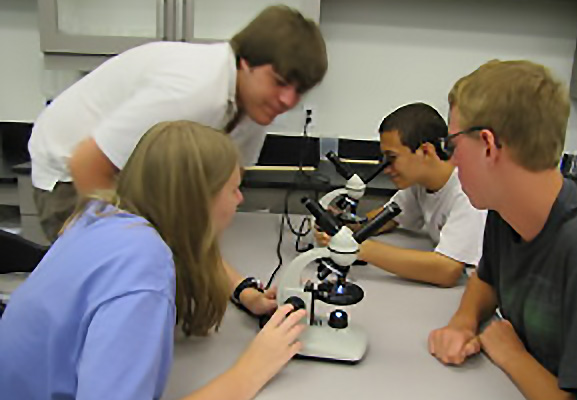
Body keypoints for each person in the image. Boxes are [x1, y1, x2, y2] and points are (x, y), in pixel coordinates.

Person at [0, 121, 307, 400]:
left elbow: (194, 249)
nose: (240, 200)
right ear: (198, 201)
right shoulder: (142, 271)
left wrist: (245, 292)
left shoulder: (103, 216)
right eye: (234, 189)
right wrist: (251, 370)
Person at [29, 4, 328, 243]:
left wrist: (239, 288)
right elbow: (87, 163)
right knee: (116, 273)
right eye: (279, 83)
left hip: (126, 172)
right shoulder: (194, 90)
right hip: (70, 172)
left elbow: (222, 190)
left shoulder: (257, 103)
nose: (288, 101)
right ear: (245, 62)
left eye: (299, 91)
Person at [428, 60, 577, 400]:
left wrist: (511, 355)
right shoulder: (504, 212)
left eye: (454, 146)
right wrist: (463, 321)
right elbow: (487, 278)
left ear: (489, 145)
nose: (452, 161)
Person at [315, 103, 487, 287]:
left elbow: (446, 271)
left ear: (425, 151)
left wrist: (356, 248)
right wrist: (342, 225)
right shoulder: (420, 184)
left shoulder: (468, 191)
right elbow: (386, 219)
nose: (386, 169)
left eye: (392, 158)